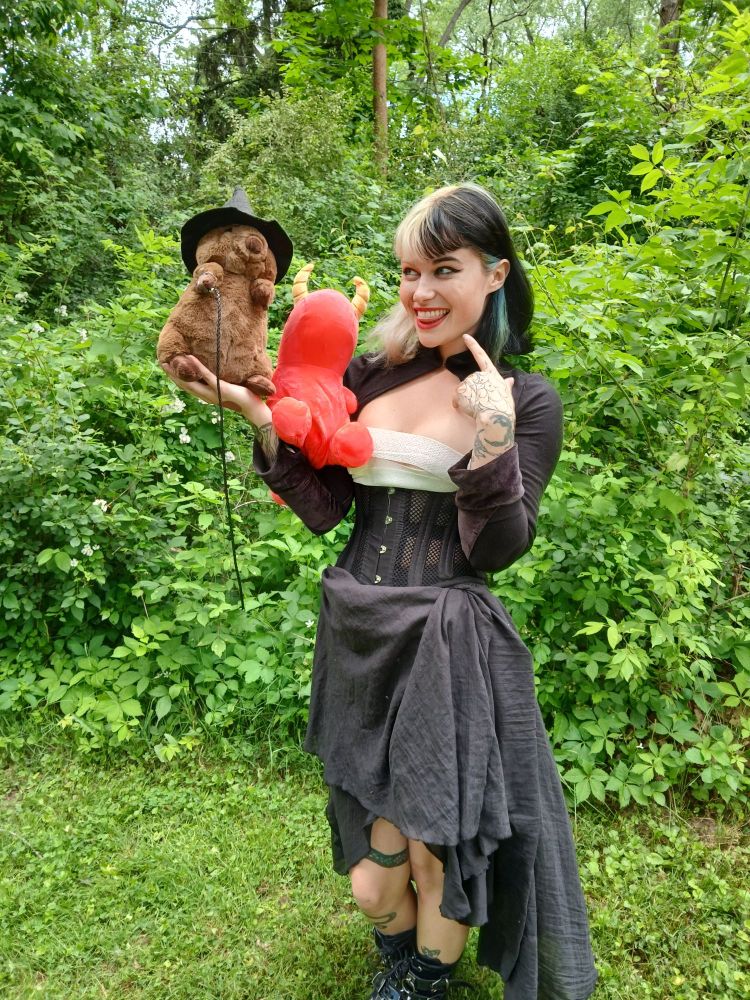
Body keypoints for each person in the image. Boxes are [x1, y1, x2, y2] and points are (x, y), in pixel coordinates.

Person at [162, 183, 597, 1000]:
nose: (421, 292)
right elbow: (327, 509)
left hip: (445, 641)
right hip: (360, 628)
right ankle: (401, 953)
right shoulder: (374, 372)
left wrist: (494, 434)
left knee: (439, 847)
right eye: (407, 272)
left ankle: (424, 981)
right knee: (373, 880)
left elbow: (497, 549)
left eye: (445, 269)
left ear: (495, 274)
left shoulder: (526, 398)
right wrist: (260, 420)